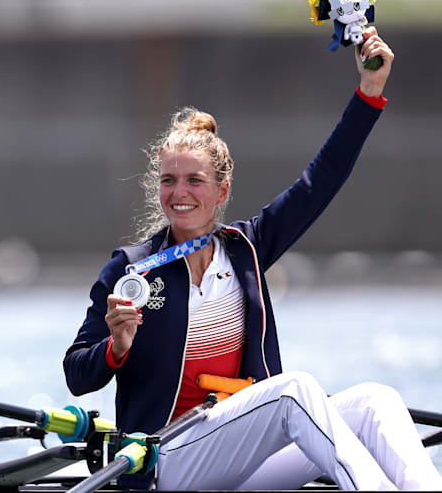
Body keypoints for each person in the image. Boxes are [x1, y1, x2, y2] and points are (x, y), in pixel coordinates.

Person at [64, 28, 442, 490]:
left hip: (242, 455)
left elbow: (317, 183)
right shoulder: (131, 269)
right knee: (295, 390)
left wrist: (369, 93)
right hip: (165, 462)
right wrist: (116, 348)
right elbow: (77, 374)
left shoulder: (246, 248)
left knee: (376, 400)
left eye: (194, 181)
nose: (179, 193)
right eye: (168, 180)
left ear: (221, 190)